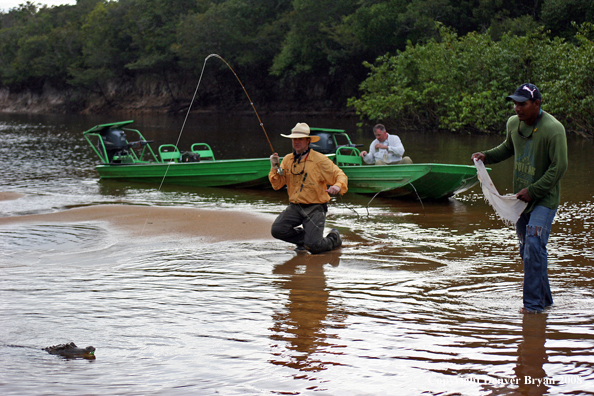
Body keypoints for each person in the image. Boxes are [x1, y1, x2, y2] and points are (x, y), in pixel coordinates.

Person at [471, 83, 568, 314]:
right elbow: (508, 147)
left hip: (543, 199)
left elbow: (559, 167)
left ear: (537, 104)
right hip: (521, 200)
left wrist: (533, 191)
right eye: (515, 103)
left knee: (534, 245)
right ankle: (545, 303)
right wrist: (487, 156)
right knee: (528, 250)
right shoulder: (513, 124)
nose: (517, 108)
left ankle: (532, 309)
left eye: (522, 104)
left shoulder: (554, 129)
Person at [269, 123, 348, 254]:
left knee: (314, 247)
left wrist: (337, 186)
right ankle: (303, 240)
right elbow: (277, 185)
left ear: (308, 141)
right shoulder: (288, 159)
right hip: (295, 207)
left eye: (300, 139)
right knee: (277, 230)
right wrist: (274, 167)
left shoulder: (320, 160)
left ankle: (334, 238)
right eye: (294, 139)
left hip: (315, 208)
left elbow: (340, 175)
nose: (297, 142)